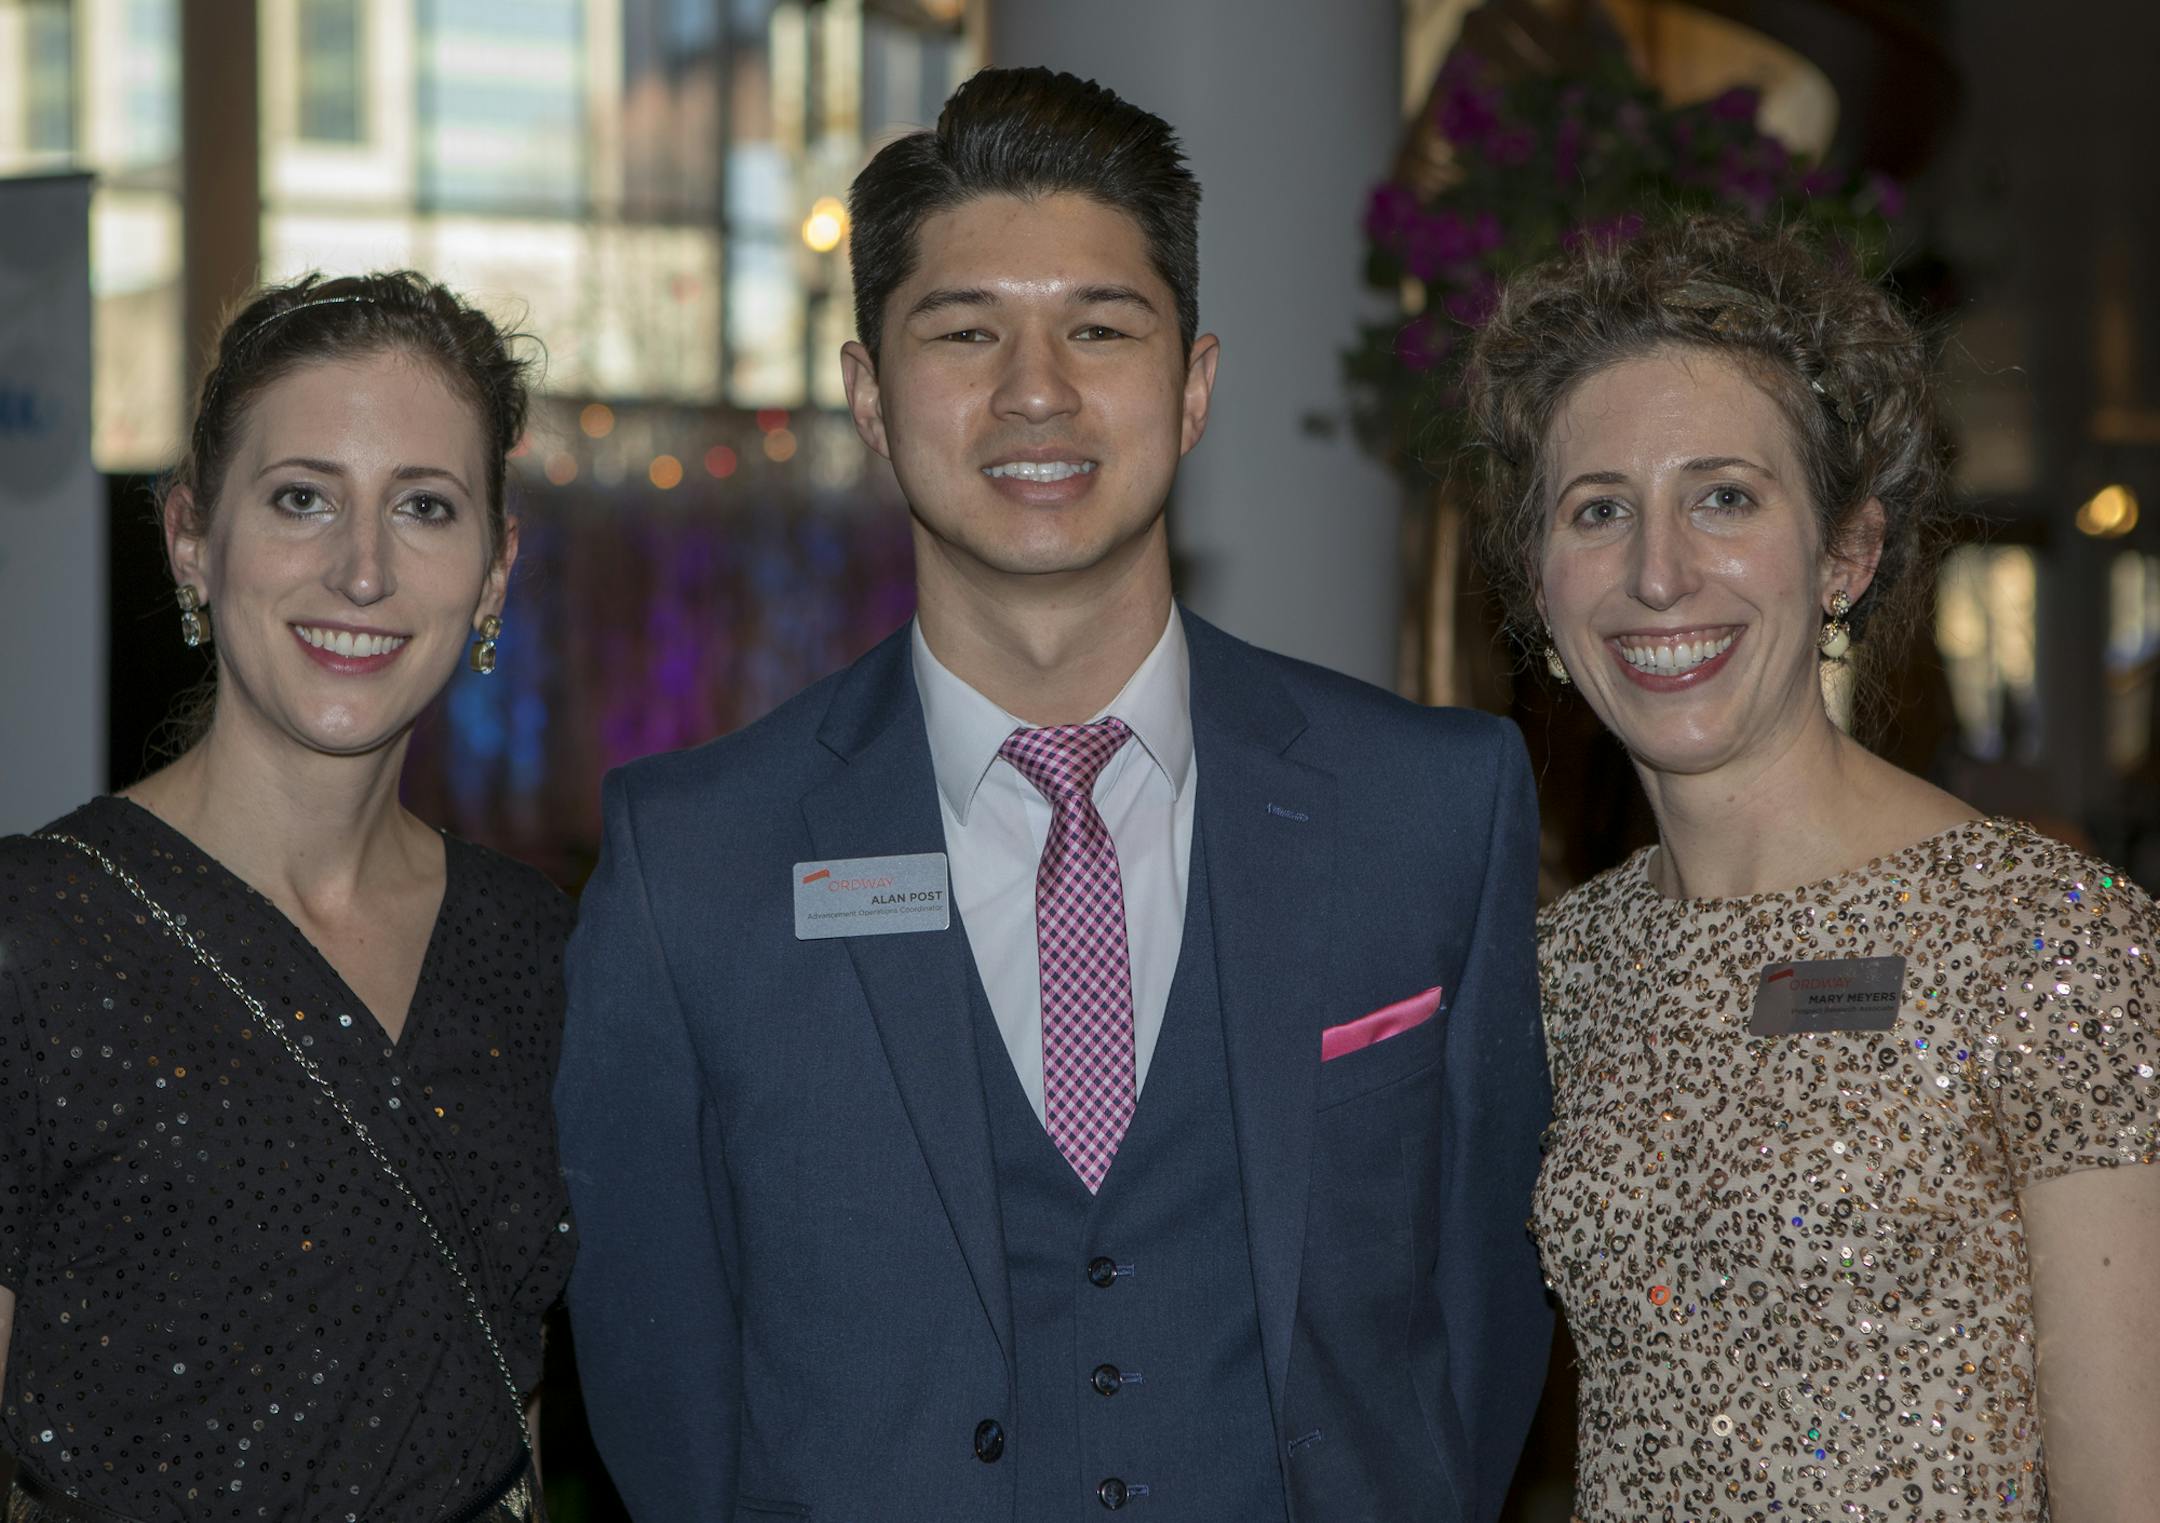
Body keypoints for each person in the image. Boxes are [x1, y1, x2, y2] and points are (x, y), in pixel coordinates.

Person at [556, 66, 1550, 1521]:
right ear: (870, 397)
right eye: (965, 332)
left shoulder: (1430, 809)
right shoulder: (692, 861)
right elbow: (664, 1391)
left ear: (1194, 384)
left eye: (1101, 327)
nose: (1038, 389)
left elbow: (1479, 1333)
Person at [1464, 214, 2160, 1521]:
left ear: (1845, 551)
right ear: (1544, 589)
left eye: (1724, 496)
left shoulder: (2051, 941)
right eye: (1598, 510)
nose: (1659, 572)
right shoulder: (1561, 965)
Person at [0, 272, 573, 1521]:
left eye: (424, 506)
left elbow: (500, 1389)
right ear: (191, 536)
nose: (361, 571)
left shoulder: (533, 943)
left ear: (493, 569)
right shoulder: (32, 938)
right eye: (302, 497)